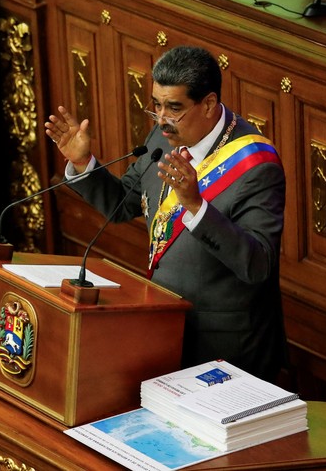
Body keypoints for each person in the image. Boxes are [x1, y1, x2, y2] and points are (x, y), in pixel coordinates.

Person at [45, 46, 287, 382]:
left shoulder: (255, 166)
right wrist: (84, 163)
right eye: (156, 105)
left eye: (174, 108)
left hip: (228, 348)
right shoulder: (164, 133)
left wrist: (196, 206)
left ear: (208, 104)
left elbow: (258, 264)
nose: (161, 119)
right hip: (164, 324)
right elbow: (124, 204)